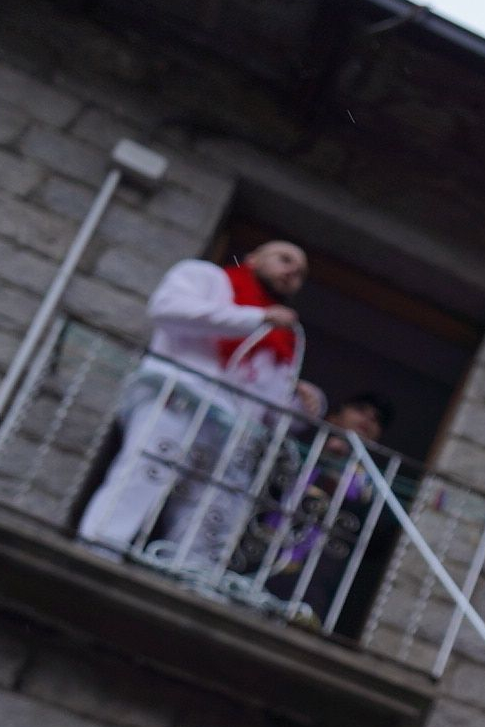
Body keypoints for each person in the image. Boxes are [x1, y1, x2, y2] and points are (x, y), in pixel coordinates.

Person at [76, 239, 311, 568]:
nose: (291, 273)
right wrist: (256, 317)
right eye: (285, 260)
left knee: (210, 509)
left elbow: (271, 408)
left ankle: (191, 578)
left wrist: (305, 403)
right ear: (253, 259)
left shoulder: (281, 338)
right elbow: (167, 309)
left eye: (299, 273)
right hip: (178, 399)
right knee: (143, 476)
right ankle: (97, 551)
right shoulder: (206, 278)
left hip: (228, 428)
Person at [251, 392, 394, 615]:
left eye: (376, 419)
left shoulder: (371, 488)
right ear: (333, 418)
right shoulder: (295, 453)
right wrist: (327, 461)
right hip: (256, 555)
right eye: (360, 410)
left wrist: (345, 494)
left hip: (313, 582)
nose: (368, 419)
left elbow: (377, 541)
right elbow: (264, 485)